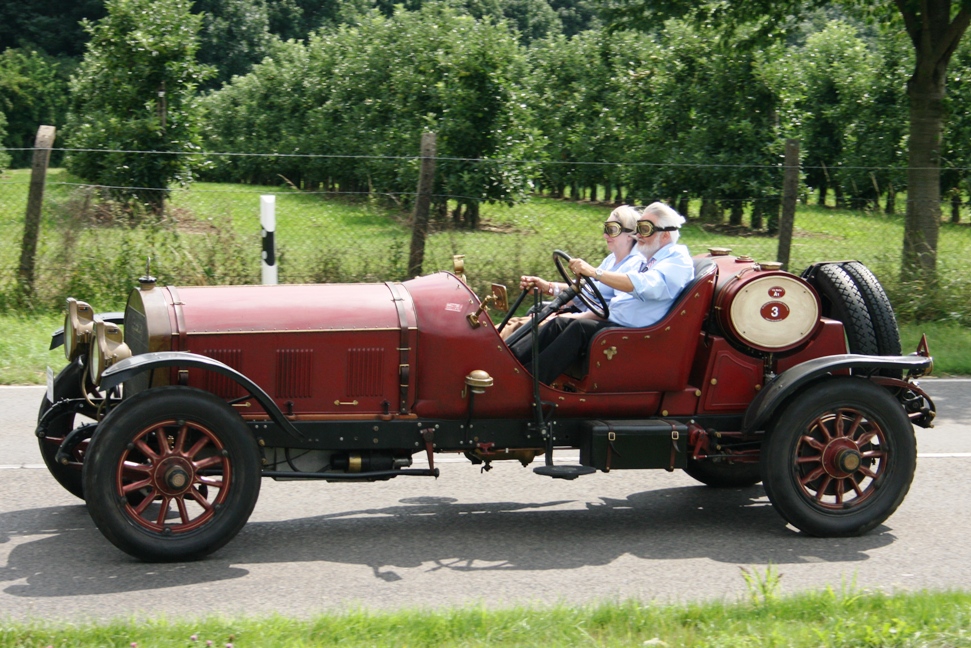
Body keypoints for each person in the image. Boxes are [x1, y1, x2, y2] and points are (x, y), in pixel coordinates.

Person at [511, 202, 694, 386]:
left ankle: (527, 384)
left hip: (635, 332)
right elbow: (596, 291)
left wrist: (594, 273)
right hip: (614, 319)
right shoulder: (652, 258)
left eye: (645, 229)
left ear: (666, 235)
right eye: (638, 228)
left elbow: (647, 286)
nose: (638, 235)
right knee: (559, 323)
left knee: (577, 329)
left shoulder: (677, 260)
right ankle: (510, 364)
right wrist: (554, 287)